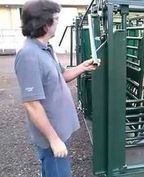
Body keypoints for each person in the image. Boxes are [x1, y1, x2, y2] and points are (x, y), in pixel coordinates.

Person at [14, 0, 99, 176]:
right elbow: (32, 104)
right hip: (52, 137)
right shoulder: (28, 55)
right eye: (57, 19)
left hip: (59, 132)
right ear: (45, 24)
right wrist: (54, 140)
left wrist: (83, 67)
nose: (59, 22)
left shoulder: (46, 49)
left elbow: (62, 75)